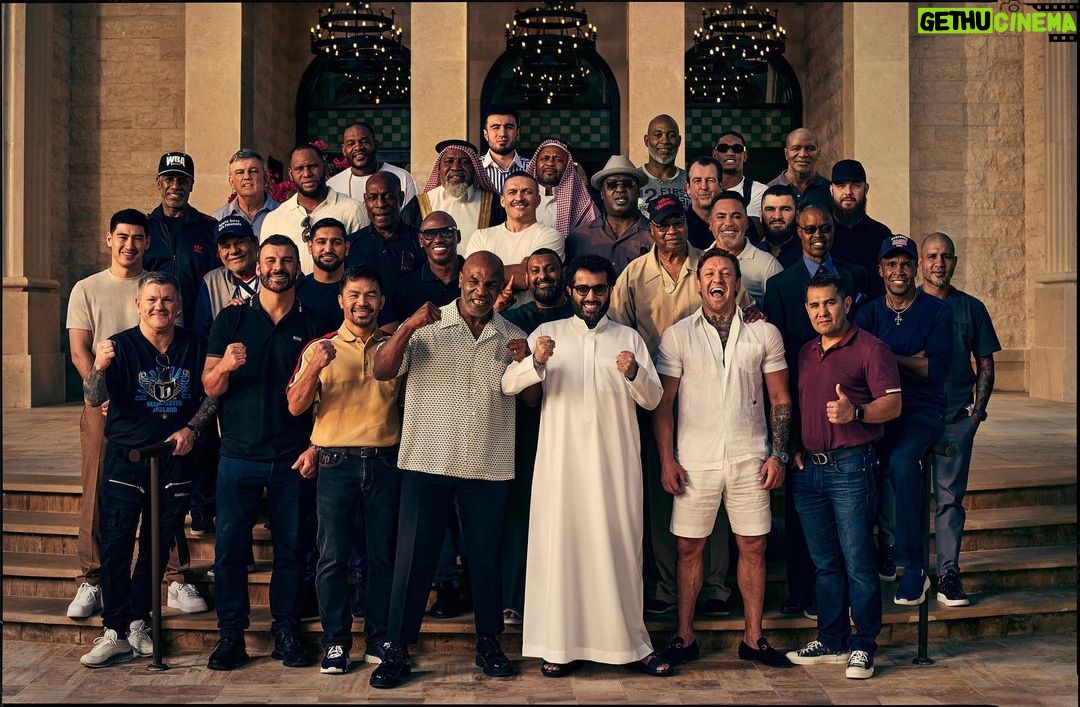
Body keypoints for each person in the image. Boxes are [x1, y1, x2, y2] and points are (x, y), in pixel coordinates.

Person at [368, 252, 533, 689]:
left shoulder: (513, 335)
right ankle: (396, 648)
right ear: (460, 278)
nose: (481, 291)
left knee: (486, 558)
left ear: (501, 288)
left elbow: (532, 400)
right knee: (414, 558)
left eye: (491, 284)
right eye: (474, 280)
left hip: (488, 462)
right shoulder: (427, 325)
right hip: (427, 459)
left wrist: (529, 363)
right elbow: (382, 370)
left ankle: (489, 643)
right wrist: (406, 326)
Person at [505, 254, 672, 678]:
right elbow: (509, 384)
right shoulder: (549, 335)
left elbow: (653, 399)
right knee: (563, 552)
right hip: (561, 469)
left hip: (615, 468)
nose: (591, 297)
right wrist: (537, 361)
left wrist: (634, 373)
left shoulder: (628, 338)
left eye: (599, 289)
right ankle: (559, 646)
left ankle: (631, 645)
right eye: (582, 289)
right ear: (569, 291)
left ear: (609, 290)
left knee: (619, 551)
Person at [610, 194, 749, 622]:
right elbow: (614, 332)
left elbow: (746, 317)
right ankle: (669, 586)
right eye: (663, 224)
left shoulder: (709, 266)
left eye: (678, 223)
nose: (671, 231)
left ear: (689, 224)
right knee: (663, 491)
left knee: (715, 490)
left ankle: (716, 586)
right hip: (654, 399)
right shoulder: (635, 274)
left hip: (711, 396)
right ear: (650, 229)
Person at [654, 248, 792, 669]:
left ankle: (753, 638)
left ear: (737, 283)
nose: (718, 279)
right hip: (694, 460)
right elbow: (664, 405)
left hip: (750, 457)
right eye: (709, 273)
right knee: (688, 547)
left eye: (726, 273)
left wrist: (779, 454)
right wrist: (667, 460)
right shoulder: (677, 335)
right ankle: (684, 637)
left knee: (754, 545)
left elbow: (780, 398)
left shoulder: (763, 332)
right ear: (699, 284)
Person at [78, 271, 217, 668]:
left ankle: (139, 620)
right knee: (117, 546)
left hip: (173, 460)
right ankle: (114, 630)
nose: (160, 306)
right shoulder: (119, 346)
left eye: (168, 299)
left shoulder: (195, 345)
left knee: (156, 547)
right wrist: (99, 366)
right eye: (152, 299)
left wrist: (192, 429)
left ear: (179, 305)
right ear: (138, 304)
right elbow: (94, 399)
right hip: (127, 458)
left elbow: (212, 396)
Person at [201, 235, 323, 671]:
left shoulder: (313, 323)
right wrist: (225, 365)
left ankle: (285, 632)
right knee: (230, 552)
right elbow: (209, 386)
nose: (278, 267)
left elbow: (327, 397)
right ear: (258, 264)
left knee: (292, 550)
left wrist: (315, 445)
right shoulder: (231, 319)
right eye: (270, 259)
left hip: (292, 456)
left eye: (287, 260)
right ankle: (230, 636)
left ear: (297, 267)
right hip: (238, 456)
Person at [286, 265, 404, 672]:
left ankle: (379, 637)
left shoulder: (396, 347)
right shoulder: (320, 347)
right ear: (341, 301)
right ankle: (335, 642)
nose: (362, 302)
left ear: (381, 301)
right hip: (336, 462)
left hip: (385, 460)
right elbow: (296, 406)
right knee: (332, 557)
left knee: (381, 556)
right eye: (354, 294)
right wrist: (315, 366)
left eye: (370, 295)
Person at [786, 270, 901, 680]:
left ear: (846, 303)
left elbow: (893, 405)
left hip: (851, 466)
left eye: (830, 302)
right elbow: (798, 405)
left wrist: (857, 412)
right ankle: (831, 639)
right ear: (807, 310)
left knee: (858, 561)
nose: (822, 311)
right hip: (809, 471)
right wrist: (793, 446)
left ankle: (863, 645)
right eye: (814, 305)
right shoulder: (804, 352)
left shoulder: (871, 349)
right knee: (825, 563)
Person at [763, 203, 870, 617]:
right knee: (800, 511)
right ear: (799, 233)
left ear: (833, 231)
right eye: (809, 229)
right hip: (800, 406)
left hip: (851, 412)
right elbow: (775, 355)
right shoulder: (781, 283)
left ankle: (850, 605)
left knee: (852, 526)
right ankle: (800, 591)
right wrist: (787, 436)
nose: (817, 235)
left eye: (824, 228)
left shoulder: (856, 276)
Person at [855, 235, 953, 605]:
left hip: (922, 410)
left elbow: (935, 371)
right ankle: (881, 548)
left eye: (906, 264)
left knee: (902, 460)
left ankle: (915, 567)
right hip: (880, 406)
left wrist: (885, 355)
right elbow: (860, 366)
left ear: (916, 269)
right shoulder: (868, 314)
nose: (899, 270)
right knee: (862, 460)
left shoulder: (937, 312)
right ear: (880, 270)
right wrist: (910, 359)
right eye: (891, 264)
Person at [66, 209, 148, 619]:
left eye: (137, 237)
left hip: (149, 403)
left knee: (159, 485)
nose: (129, 244)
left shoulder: (155, 287)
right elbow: (79, 350)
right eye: (122, 236)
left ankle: (174, 574)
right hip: (101, 403)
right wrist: (99, 392)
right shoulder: (86, 288)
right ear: (109, 239)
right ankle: (92, 578)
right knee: (96, 486)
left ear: (147, 243)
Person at [919, 232, 1001, 607]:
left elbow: (985, 363)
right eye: (932, 256)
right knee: (904, 496)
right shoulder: (905, 305)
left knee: (950, 500)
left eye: (946, 256)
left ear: (955, 261)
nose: (939, 263)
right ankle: (910, 571)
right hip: (912, 419)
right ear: (921, 262)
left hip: (955, 420)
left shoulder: (971, 308)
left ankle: (949, 574)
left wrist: (976, 415)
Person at [498, 248, 575, 625]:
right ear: (527, 278)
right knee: (521, 511)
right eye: (535, 271)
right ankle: (514, 598)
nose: (543, 276)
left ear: (563, 273)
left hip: (573, 429)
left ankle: (565, 598)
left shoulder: (580, 314)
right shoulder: (514, 320)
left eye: (550, 269)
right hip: (527, 428)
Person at [260, 144, 367, 274]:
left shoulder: (352, 210)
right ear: (290, 174)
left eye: (312, 166)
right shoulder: (274, 218)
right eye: (299, 169)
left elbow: (363, 264)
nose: (307, 174)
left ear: (324, 167)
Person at [465, 172, 564, 308]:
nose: (519, 198)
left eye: (527, 192)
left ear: (538, 200)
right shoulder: (481, 236)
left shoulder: (551, 236)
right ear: (502, 201)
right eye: (512, 192)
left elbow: (524, 276)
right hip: (488, 315)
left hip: (532, 316)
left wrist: (482, 277)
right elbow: (467, 277)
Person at [145, 151, 218, 329]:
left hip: (198, 327)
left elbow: (220, 277)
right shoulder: (144, 227)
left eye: (183, 180)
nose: (175, 186)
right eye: (169, 179)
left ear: (192, 185)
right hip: (152, 325)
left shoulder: (209, 228)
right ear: (158, 183)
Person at [566, 155, 652, 275]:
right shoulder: (578, 238)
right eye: (612, 184)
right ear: (602, 193)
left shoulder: (656, 236)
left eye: (628, 184)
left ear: (638, 191)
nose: (620, 189)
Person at [412, 139, 505, 248]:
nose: (455, 167)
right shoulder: (420, 204)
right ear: (439, 168)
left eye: (464, 162)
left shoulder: (492, 203)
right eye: (448, 161)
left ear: (474, 168)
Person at [345, 172, 422, 301]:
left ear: (401, 198)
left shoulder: (420, 242)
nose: (380, 204)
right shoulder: (351, 244)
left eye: (388, 196)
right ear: (365, 200)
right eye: (372, 197)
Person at [828, 159, 893, 299]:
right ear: (831, 189)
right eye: (841, 186)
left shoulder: (881, 234)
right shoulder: (822, 233)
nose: (848, 192)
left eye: (855, 186)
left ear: (866, 189)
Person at [708, 190, 783, 309]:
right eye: (721, 217)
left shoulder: (768, 266)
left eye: (736, 216)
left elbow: (781, 313)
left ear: (747, 222)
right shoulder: (698, 260)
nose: (728, 223)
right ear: (710, 223)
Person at [326, 122, 418, 214]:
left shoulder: (402, 177)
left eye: (364, 142)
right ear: (344, 149)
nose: (358, 147)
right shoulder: (333, 185)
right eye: (351, 143)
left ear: (375, 144)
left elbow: (411, 218)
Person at [193, 216, 261, 339]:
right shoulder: (211, 282)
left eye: (240, 242)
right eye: (225, 246)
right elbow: (202, 335)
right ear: (219, 252)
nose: (234, 251)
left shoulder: (272, 274)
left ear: (255, 243)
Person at [526, 138, 598, 236]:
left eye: (558, 160)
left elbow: (593, 235)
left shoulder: (581, 202)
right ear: (535, 163)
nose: (550, 163)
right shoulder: (523, 198)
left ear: (567, 167)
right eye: (545, 158)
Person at [295, 217, 351, 334]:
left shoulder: (361, 289)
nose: (328, 249)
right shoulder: (294, 291)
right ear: (310, 247)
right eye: (321, 242)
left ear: (346, 248)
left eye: (336, 243)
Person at [211, 149, 280, 237]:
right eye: (240, 172)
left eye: (253, 171)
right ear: (231, 182)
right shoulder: (217, 220)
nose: (247, 177)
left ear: (265, 178)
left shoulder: (283, 214)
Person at [766, 128, 830, 208]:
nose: (803, 154)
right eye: (796, 148)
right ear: (786, 154)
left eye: (810, 148)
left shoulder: (830, 191)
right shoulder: (768, 190)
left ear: (818, 154)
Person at [639, 115, 690, 213]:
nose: (665, 141)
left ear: (679, 141)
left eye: (671, 135)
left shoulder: (691, 181)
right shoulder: (634, 181)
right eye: (658, 135)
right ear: (646, 141)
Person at [711, 130, 767, 218]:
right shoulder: (704, 189)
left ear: (745, 155)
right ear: (714, 155)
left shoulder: (760, 193)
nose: (730, 153)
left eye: (737, 148)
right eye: (723, 148)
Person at [481, 107, 530, 195]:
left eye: (509, 127)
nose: (503, 134)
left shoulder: (531, 168)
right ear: (485, 134)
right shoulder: (474, 169)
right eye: (496, 127)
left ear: (517, 133)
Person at [753, 184, 802, 268]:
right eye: (770, 209)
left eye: (785, 209)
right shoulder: (753, 254)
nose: (777, 216)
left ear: (797, 216)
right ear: (760, 215)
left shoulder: (808, 255)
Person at [684, 156, 723, 249]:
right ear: (688, 187)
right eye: (697, 181)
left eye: (710, 180)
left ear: (721, 186)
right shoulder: (680, 228)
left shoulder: (737, 223)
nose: (704, 187)